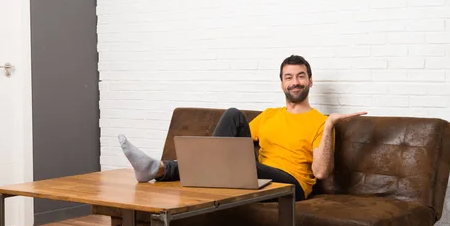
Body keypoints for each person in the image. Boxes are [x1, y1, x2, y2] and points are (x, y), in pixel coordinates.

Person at [118, 55, 366, 201]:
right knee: (233, 115)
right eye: (288, 77)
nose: (295, 82)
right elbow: (232, 144)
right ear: (281, 84)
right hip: (258, 173)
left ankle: (161, 169)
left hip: (293, 184)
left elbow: (321, 173)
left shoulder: (321, 122)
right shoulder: (269, 115)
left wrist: (331, 123)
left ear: (310, 81)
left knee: (244, 166)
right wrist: (223, 157)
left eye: (300, 76)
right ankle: (163, 169)